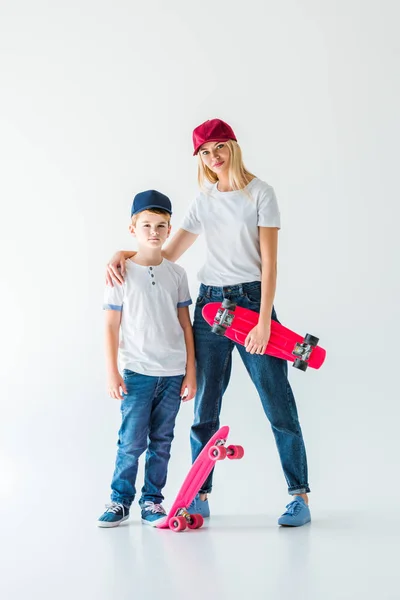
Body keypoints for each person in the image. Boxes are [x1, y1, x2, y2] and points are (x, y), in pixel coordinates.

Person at [106, 119, 311, 527]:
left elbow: (269, 263)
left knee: (278, 404)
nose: (213, 157)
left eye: (219, 147)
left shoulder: (260, 194)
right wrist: (124, 254)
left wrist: (265, 321)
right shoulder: (205, 199)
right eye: (204, 152)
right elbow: (168, 252)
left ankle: (299, 496)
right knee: (205, 408)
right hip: (210, 308)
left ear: (233, 147)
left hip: (254, 304)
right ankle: (200, 495)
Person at [98, 189, 196, 528]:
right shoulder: (120, 273)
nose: (153, 232)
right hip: (137, 372)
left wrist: (190, 372)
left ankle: (152, 501)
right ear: (132, 229)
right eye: (146, 225)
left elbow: (186, 324)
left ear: (170, 230)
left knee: (162, 442)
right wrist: (112, 372)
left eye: (161, 226)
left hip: (172, 374)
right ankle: (119, 500)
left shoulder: (177, 275)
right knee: (131, 441)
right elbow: (111, 325)